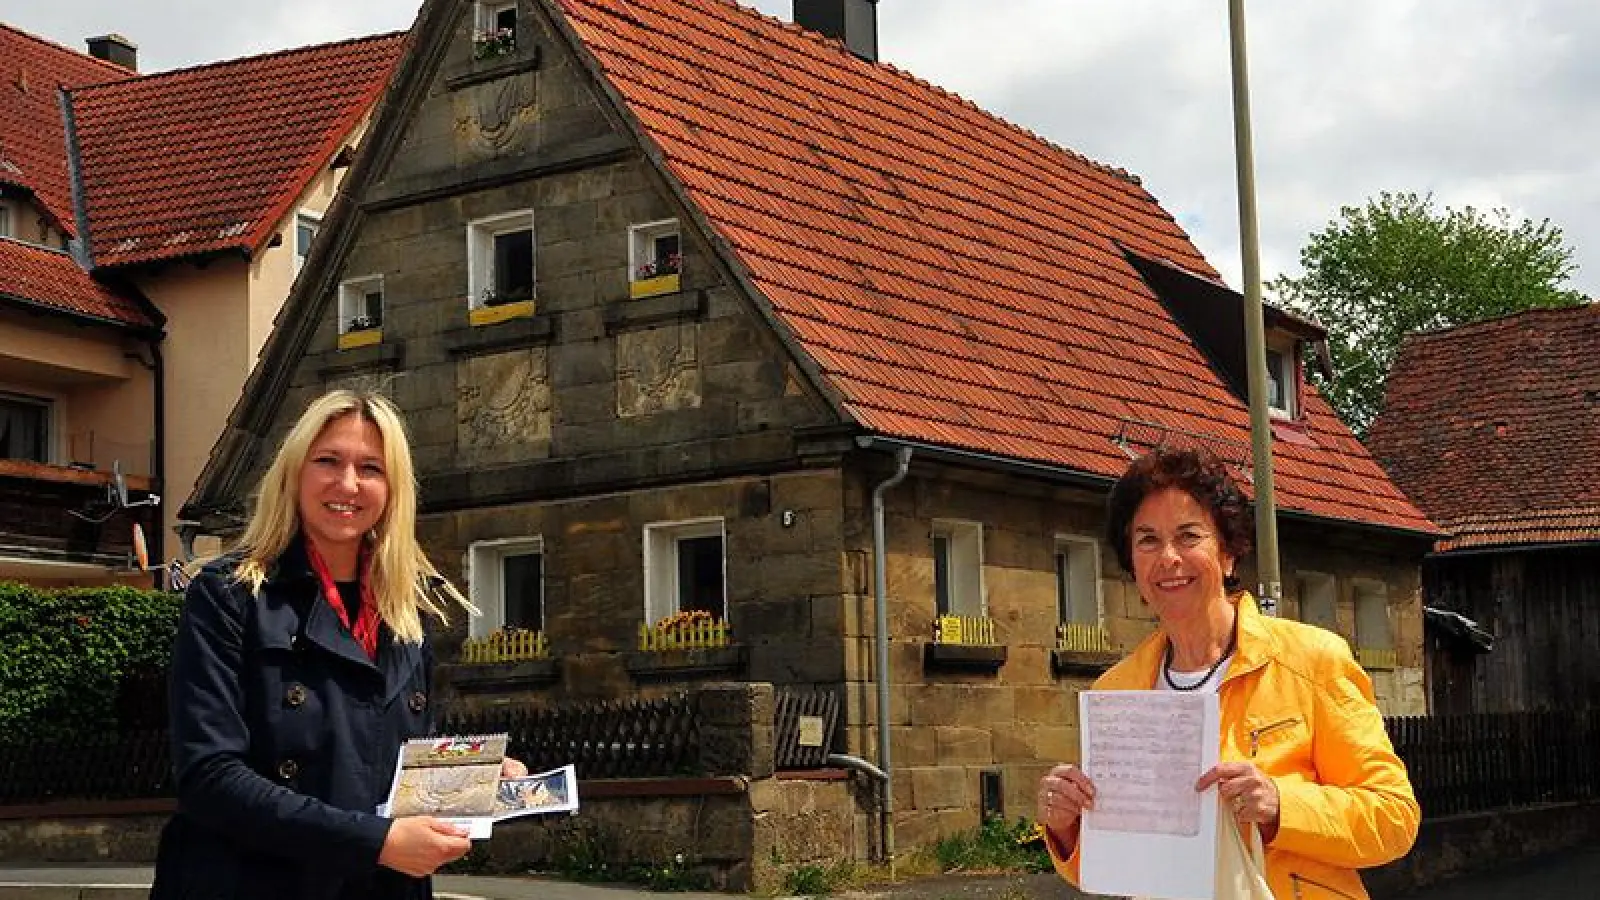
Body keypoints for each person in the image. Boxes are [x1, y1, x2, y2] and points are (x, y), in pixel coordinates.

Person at [151, 390, 526, 900]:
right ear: (294, 472)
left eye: (370, 468)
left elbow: (389, 757)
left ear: (393, 487)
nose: (348, 484)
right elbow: (210, 778)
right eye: (328, 460)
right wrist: (375, 842)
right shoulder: (230, 594)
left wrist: (473, 776)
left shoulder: (407, 609)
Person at [1037, 446, 1419, 900]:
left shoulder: (1313, 659)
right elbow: (1113, 864)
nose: (1169, 558)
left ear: (1228, 554)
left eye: (1188, 536)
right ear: (1133, 565)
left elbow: (1394, 818)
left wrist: (1281, 806)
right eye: (1148, 540)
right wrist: (1067, 827)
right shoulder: (1116, 691)